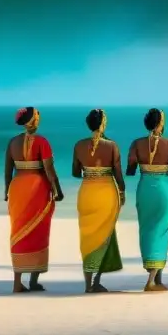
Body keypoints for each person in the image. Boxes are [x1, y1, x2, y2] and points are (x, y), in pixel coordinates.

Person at [4, 107, 64, 293]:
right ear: (32, 121)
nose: (39, 118)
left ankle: (17, 281)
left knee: (18, 232)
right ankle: (33, 280)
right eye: (37, 116)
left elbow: (7, 171)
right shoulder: (42, 142)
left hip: (17, 188)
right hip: (37, 189)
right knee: (38, 232)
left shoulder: (12, 142)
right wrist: (57, 190)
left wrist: (7, 191)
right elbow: (50, 171)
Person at [126, 108, 168, 292]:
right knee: (162, 232)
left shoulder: (137, 143)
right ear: (160, 124)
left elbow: (130, 169)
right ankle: (152, 281)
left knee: (147, 230)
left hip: (145, 190)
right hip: (166, 191)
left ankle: (156, 279)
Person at [73, 109, 124, 293]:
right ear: (103, 124)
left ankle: (88, 283)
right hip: (106, 194)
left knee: (87, 237)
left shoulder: (79, 145)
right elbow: (118, 174)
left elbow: (75, 172)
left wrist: (91, 171)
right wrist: (123, 192)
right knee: (105, 236)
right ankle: (96, 282)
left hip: (87, 193)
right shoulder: (112, 146)